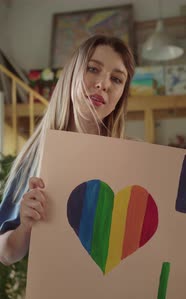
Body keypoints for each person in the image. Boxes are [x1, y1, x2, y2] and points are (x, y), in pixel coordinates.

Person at [0, 34, 135, 265]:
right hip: (53, 296)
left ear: (121, 94)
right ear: (72, 74)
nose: (103, 83)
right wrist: (26, 225)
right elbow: (7, 253)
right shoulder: (35, 156)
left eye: (117, 79)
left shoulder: (132, 159)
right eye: (93, 69)